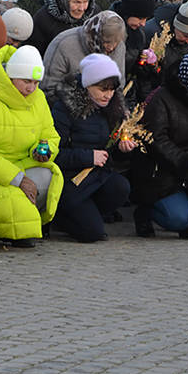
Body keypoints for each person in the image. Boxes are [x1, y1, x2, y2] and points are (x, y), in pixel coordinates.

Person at [0, 45, 64, 247]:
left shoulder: (38, 98)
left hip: (22, 166)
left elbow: (51, 135)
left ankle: (18, 227)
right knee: (13, 203)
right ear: (10, 77)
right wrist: (17, 178)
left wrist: (42, 151)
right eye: (26, 81)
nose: (31, 89)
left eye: (37, 83)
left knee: (50, 177)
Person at [132, 51, 188, 240]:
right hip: (161, 173)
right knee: (177, 218)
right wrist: (187, 162)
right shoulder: (163, 98)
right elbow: (157, 140)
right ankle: (147, 212)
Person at [50, 54, 134, 242]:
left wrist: (122, 149)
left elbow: (110, 155)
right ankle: (64, 216)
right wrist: (88, 157)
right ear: (87, 85)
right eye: (102, 89)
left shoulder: (113, 108)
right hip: (70, 180)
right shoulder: (65, 108)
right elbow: (55, 153)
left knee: (121, 187)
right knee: (92, 234)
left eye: (112, 90)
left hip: (97, 177)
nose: (108, 95)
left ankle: (88, 214)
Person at [41, 10, 126, 102]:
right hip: (65, 107)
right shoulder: (63, 44)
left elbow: (118, 85)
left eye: (116, 43)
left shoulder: (119, 47)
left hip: (105, 107)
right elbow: (48, 88)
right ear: (96, 36)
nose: (111, 47)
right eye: (106, 42)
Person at [28, 0, 99, 55]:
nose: (81, 8)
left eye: (85, 2)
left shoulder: (95, 15)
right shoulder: (43, 19)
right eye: (76, 2)